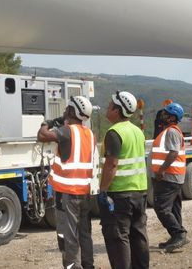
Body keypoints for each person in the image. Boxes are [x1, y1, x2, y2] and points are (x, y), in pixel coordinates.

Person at [37, 95, 96, 269]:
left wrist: (47, 122)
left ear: (72, 111)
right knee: (85, 233)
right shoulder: (89, 133)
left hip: (67, 194)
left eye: (67, 108)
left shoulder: (68, 131)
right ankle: (88, 265)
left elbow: (42, 136)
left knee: (68, 235)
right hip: (84, 191)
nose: (64, 111)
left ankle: (73, 267)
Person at [98, 90, 149, 269]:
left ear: (117, 110)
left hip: (119, 195)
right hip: (139, 192)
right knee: (138, 236)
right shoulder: (137, 132)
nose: (107, 107)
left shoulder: (114, 132)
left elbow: (112, 165)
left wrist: (102, 190)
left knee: (118, 238)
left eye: (110, 105)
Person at [150, 102, 188, 252]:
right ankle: (177, 236)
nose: (162, 116)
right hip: (174, 177)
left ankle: (178, 234)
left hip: (168, 177)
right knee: (174, 208)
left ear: (172, 117)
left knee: (162, 208)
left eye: (165, 114)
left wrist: (161, 170)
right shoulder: (169, 131)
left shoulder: (171, 132)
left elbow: (173, 153)